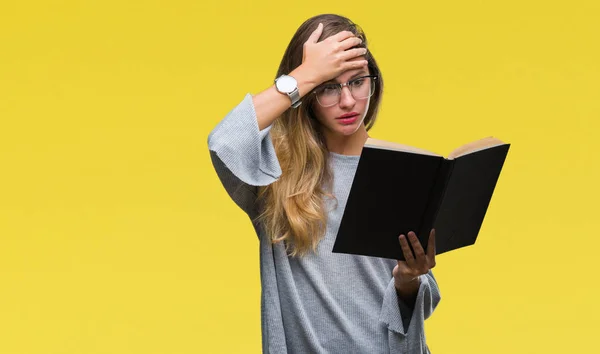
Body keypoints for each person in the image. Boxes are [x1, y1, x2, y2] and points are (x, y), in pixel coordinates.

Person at [208, 13, 441, 353]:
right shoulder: (276, 175)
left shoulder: (400, 171)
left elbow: (424, 300)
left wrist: (408, 280)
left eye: (358, 81)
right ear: (308, 93)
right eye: (329, 87)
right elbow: (225, 142)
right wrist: (303, 76)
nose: (347, 101)